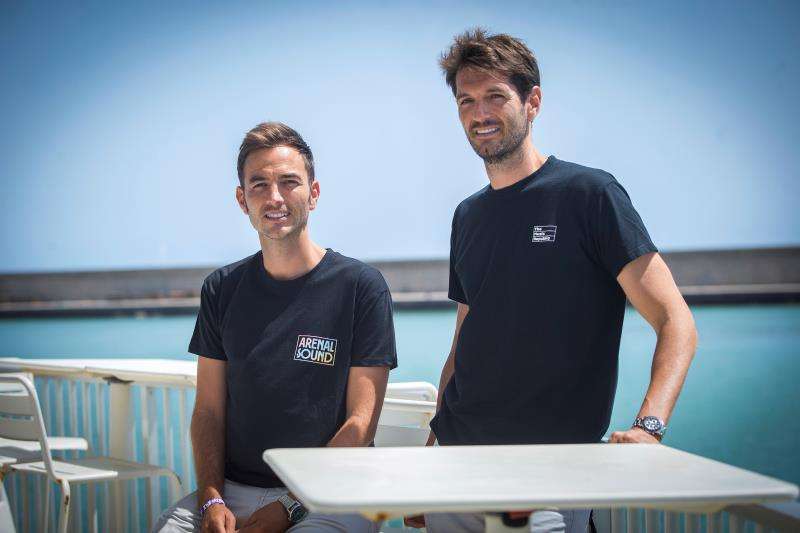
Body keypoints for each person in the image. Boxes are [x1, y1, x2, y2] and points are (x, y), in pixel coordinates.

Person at [408, 29, 698, 533]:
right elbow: (464, 341)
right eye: (466, 101)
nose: (480, 114)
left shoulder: (590, 195)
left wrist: (649, 428)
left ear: (533, 101)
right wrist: (433, 451)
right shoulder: (467, 216)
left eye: (495, 96)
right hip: (457, 466)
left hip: (553, 471)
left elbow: (676, 322)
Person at [155, 122, 397, 533]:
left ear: (313, 194)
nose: (275, 198)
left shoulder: (361, 287)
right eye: (260, 185)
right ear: (242, 199)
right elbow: (208, 411)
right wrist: (211, 498)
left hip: (332, 491)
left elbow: (360, 424)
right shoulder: (221, 289)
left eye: (289, 182)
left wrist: (289, 508)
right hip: (232, 491)